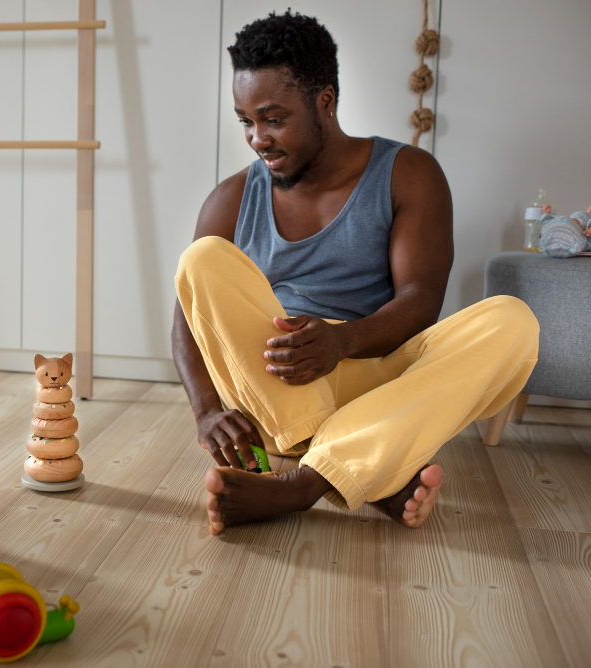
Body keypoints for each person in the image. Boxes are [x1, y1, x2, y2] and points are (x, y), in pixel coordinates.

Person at [171, 12, 539, 535]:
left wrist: (342, 342)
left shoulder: (408, 173)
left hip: (377, 379)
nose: (257, 139)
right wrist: (207, 411)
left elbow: (421, 298)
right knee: (201, 258)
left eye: (273, 119)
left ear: (325, 101)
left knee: (512, 322)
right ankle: (369, 467)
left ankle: (305, 483)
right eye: (246, 122)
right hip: (281, 391)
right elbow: (186, 323)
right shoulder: (230, 199)